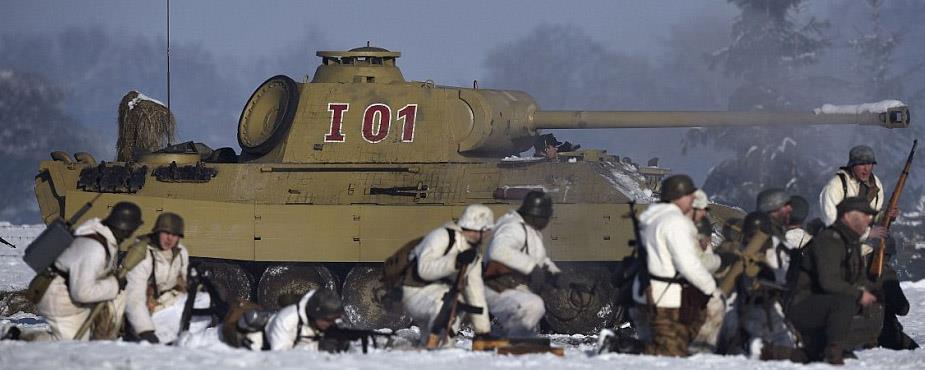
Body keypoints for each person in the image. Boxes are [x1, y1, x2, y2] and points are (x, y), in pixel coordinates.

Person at [629, 175, 723, 357]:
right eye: (689, 195)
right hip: (664, 294)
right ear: (678, 196)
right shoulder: (675, 222)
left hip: (650, 290)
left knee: (671, 346)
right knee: (670, 352)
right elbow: (687, 264)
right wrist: (711, 289)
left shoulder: (655, 216)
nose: (692, 199)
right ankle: (618, 345)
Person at [788, 197, 880, 365]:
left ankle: (841, 344)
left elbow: (858, 278)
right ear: (847, 216)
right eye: (864, 215)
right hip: (802, 304)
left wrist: (871, 291)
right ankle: (834, 350)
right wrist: (859, 294)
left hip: (822, 304)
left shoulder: (851, 243)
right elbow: (828, 282)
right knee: (844, 300)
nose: (869, 220)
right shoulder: (829, 240)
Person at [36, 202, 143, 340]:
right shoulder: (94, 248)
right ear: (126, 228)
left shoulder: (103, 239)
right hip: (58, 297)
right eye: (131, 230)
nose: (130, 235)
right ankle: (17, 338)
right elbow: (82, 293)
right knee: (72, 343)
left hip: (70, 292)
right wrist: (115, 284)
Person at [401, 204, 493, 343]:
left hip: (441, 294)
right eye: (487, 231)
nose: (488, 235)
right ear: (480, 229)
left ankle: (437, 348)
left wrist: (483, 331)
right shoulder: (442, 237)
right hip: (415, 291)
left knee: (457, 302)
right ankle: (438, 344)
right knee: (447, 304)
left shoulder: (473, 251)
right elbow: (424, 270)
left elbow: (475, 291)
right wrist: (454, 262)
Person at [483, 190, 560, 336]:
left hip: (513, 286)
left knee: (534, 306)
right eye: (545, 217)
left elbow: (540, 259)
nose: (547, 221)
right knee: (532, 305)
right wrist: (531, 267)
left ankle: (511, 337)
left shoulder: (530, 231)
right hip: (497, 287)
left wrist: (556, 273)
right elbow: (498, 251)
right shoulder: (513, 227)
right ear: (535, 214)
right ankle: (513, 341)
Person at [124, 212, 190, 344]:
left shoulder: (181, 253)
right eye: (166, 233)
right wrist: (146, 331)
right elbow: (134, 296)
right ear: (157, 232)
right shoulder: (144, 254)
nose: (169, 239)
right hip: (146, 308)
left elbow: (184, 283)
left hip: (171, 302)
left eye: (174, 235)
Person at [264, 289, 345, 351]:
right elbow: (279, 355)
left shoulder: (332, 320)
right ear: (314, 315)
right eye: (328, 320)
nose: (332, 323)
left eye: (336, 318)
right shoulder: (286, 320)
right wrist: (316, 347)